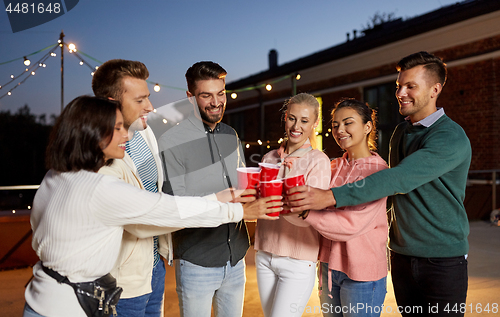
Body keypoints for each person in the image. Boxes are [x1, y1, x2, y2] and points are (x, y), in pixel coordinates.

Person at [23, 96, 280, 317]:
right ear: (92, 134)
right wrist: (240, 212)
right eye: (118, 128)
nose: (127, 134)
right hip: (70, 308)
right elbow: (170, 211)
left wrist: (218, 197)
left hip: (41, 299)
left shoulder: (55, 175)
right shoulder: (101, 189)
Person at [288, 51, 471, 317]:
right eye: (399, 86)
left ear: (435, 89)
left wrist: (329, 197)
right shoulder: (401, 131)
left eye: (411, 86)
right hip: (401, 255)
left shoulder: (450, 137)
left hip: (442, 260)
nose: (400, 93)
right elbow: (388, 195)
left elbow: (397, 179)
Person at [158, 61, 249, 317]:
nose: (216, 102)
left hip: (236, 257)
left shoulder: (231, 135)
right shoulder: (171, 141)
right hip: (197, 262)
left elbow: (240, 187)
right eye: (206, 95)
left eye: (220, 94)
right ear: (189, 97)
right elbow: (177, 207)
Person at [91, 59, 167, 317]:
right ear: (113, 102)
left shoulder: (144, 131)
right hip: (122, 281)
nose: (150, 106)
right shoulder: (99, 158)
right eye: (140, 100)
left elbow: (156, 191)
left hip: (154, 268)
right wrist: (220, 207)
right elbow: (139, 219)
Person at [303, 99, 388, 317]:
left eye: (348, 123)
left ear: (367, 127)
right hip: (328, 269)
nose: (340, 130)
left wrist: (306, 212)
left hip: (362, 274)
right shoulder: (331, 167)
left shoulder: (378, 172)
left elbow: (350, 224)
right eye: (335, 125)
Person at [254, 93, 331, 317]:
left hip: (298, 260)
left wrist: (272, 202)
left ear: (315, 124)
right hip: (264, 253)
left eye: (304, 121)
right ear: (285, 118)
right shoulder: (269, 159)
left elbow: (310, 217)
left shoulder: (318, 161)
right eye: (292, 118)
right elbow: (257, 204)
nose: (296, 126)